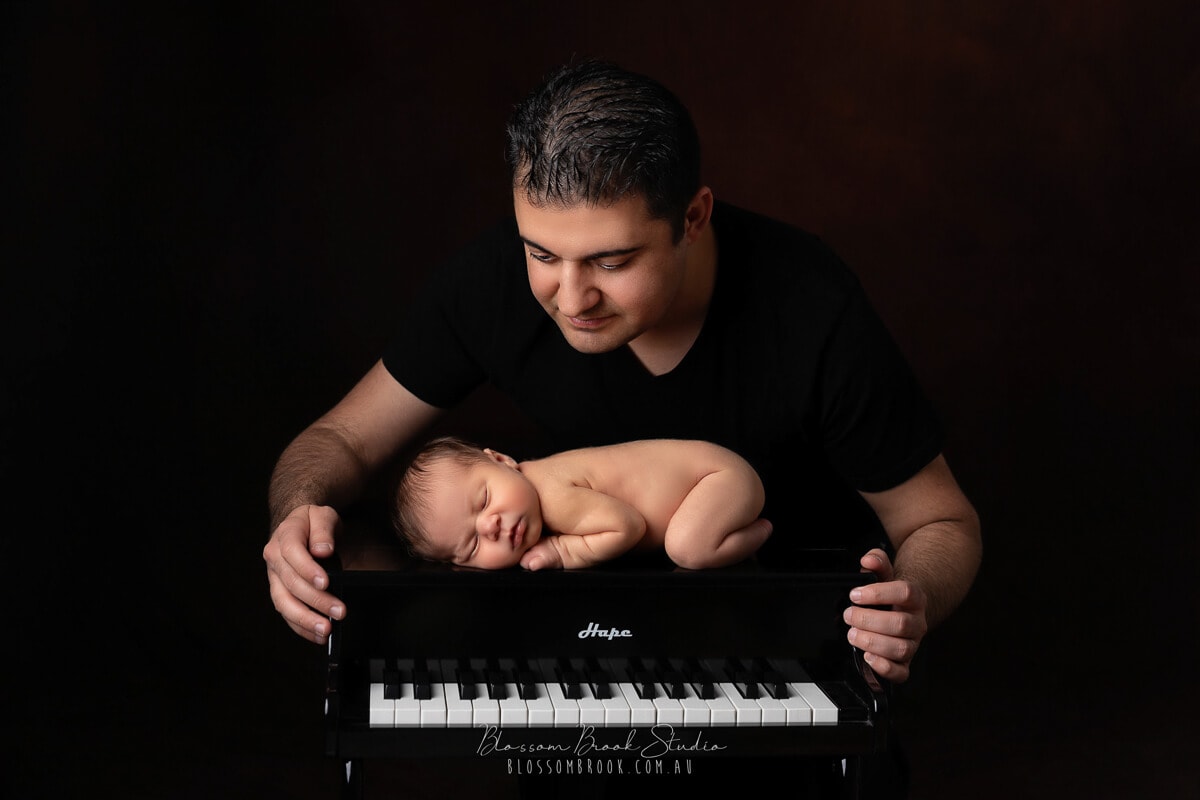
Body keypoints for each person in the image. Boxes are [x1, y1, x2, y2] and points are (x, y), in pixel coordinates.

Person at [264, 59, 982, 692]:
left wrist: (909, 597)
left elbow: (940, 520)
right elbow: (341, 442)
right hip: (573, 681)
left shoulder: (810, 305)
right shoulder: (487, 285)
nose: (570, 300)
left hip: (791, 671)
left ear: (694, 218)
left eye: (611, 262)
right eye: (541, 255)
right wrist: (297, 516)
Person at [390, 435, 771, 571]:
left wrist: (561, 552)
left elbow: (628, 526)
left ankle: (761, 533)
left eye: (485, 499)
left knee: (685, 548)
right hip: (713, 480)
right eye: (472, 545)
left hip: (718, 480)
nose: (491, 525)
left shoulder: (552, 494)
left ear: (503, 460)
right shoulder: (535, 493)